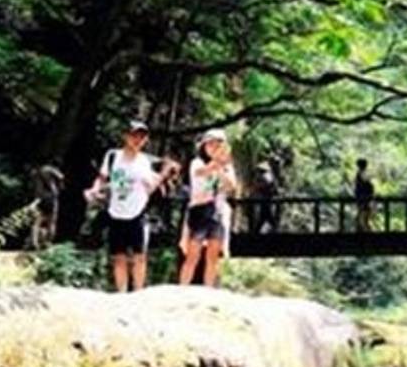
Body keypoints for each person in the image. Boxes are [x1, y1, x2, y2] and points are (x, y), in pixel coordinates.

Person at [83, 120, 179, 292]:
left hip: (138, 212)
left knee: (139, 256)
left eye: (142, 137)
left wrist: (164, 174)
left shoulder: (144, 162)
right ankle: (122, 293)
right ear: (125, 136)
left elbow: (152, 186)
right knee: (118, 256)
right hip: (116, 211)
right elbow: (103, 177)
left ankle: (138, 293)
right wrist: (94, 190)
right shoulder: (112, 156)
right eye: (134, 135)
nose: (137, 140)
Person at [179, 129, 238, 287]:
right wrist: (217, 163)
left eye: (218, 144)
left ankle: (209, 289)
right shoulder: (197, 163)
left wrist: (222, 169)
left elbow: (231, 186)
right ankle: (183, 287)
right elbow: (201, 172)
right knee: (193, 254)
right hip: (199, 211)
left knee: (212, 255)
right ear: (204, 146)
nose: (214, 147)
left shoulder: (227, 167)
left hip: (217, 212)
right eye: (210, 144)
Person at [30, 164, 64, 250]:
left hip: (40, 198)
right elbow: (61, 177)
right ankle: (48, 243)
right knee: (51, 222)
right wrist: (59, 187)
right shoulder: (50, 169)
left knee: (36, 222)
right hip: (51, 198)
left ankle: (35, 243)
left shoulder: (35, 172)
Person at [252, 160, 281, 233]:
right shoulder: (267, 175)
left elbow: (265, 185)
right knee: (265, 217)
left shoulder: (267, 175)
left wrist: (258, 185)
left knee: (267, 216)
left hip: (268, 199)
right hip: (265, 199)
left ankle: (274, 231)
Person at [354, 158, 375, 232]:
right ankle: (365, 231)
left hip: (363, 197)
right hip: (364, 197)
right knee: (363, 215)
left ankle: (364, 231)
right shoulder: (362, 173)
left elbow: (365, 185)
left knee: (363, 215)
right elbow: (367, 185)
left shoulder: (361, 174)